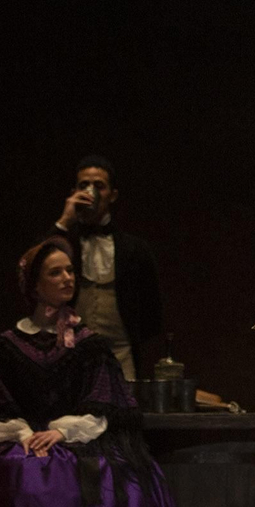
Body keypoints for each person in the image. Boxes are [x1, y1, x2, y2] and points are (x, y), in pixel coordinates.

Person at [0, 238, 208, 507]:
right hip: (25, 439)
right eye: (55, 272)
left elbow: (101, 403)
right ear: (33, 285)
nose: (67, 278)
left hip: (82, 438)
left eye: (69, 271)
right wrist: (26, 435)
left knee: (125, 484)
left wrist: (63, 432)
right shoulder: (4, 347)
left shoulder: (89, 344)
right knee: (28, 475)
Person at [49, 155, 163, 381]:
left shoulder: (134, 249)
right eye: (83, 185)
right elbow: (34, 270)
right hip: (69, 355)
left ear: (113, 195)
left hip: (121, 356)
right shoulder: (64, 244)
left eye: (99, 186)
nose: (90, 191)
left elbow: (152, 312)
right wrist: (64, 221)